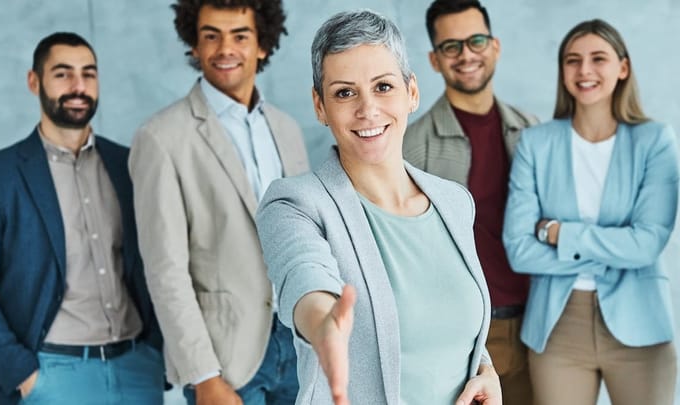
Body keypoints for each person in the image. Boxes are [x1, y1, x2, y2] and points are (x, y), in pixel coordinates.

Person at [256, 9, 500, 405]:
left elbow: (449, 323)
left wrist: (485, 370)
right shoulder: (296, 204)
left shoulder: (454, 202)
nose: (367, 109)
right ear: (320, 106)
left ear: (412, 92)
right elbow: (304, 278)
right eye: (345, 92)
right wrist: (323, 325)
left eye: (383, 86)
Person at [0, 32, 164, 405]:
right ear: (34, 81)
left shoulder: (129, 165)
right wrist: (23, 374)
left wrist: (155, 351)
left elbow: (158, 260)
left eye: (88, 73)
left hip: (137, 370)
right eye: (63, 74)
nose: (78, 86)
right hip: (51, 376)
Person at [128, 1, 309, 404]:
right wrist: (204, 376)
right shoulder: (161, 138)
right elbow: (165, 270)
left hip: (300, 345)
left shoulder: (286, 129)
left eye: (240, 35)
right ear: (194, 44)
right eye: (211, 35)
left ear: (262, 45)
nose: (225, 48)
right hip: (228, 361)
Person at [503, 19, 678, 405]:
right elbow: (519, 249)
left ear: (623, 67)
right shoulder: (536, 144)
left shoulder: (655, 141)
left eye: (598, 58)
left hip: (641, 326)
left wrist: (559, 234)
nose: (584, 71)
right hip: (557, 325)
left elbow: (647, 245)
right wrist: (613, 251)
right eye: (572, 60)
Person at [403, 1, 538, 402]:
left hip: (538, 328)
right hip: (466, 339)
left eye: (476, 40)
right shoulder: (412, 147)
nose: (466, 55)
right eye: (451, 46)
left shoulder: (530, 131)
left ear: (494, 46)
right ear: (433, 59)